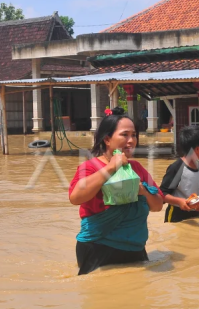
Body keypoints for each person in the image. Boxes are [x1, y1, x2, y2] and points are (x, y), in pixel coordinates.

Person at [68, 108, 164, 275]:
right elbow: (75, 198)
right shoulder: (90, 167)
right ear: (107, 139)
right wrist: (111, 167)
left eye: (134, 135)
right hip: (97, 249)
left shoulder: (136, 168)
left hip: (135, 248)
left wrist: (143, 191)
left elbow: (157, 206)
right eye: (124, 135)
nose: (131, 140)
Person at [160, 125, 199, 223]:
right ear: (197, 149)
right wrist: (180, 202)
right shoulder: (177, 168)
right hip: (175, 217)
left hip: (196, 216)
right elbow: (162, 194)